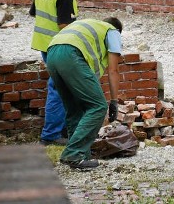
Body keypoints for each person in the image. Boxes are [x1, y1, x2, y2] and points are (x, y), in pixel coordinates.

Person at [46, 17, 123, 170]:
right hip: (70, 54)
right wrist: (114, 102)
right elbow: (113, 70)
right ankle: (73, 153)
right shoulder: (112, 31)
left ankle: (80, 156)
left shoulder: (89, 25)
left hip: (52, 52)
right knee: (98, 106)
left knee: (74, 109)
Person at [30, 0, 88, 146]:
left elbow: (34, 13)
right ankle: (51, 135)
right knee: (58, 88)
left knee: (60, 87)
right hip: (58, 48)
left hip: (43, 45)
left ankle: (61, 129)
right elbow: (66, 26)